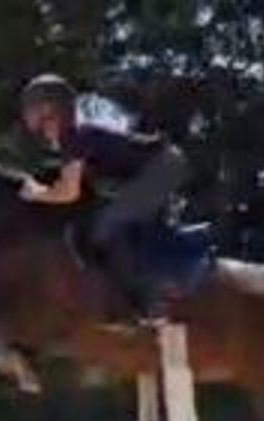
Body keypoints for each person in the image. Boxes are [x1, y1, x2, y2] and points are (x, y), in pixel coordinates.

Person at [16, 73, 188, 321]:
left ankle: (150, 303)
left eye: (29, 108)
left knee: (108, 224)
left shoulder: (71, 136)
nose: (26, 115)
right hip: (155, 168)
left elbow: (68, 192)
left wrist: (35, 193)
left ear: (48, 108)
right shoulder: (71, 137)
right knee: (97, 225)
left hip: (163, 167)